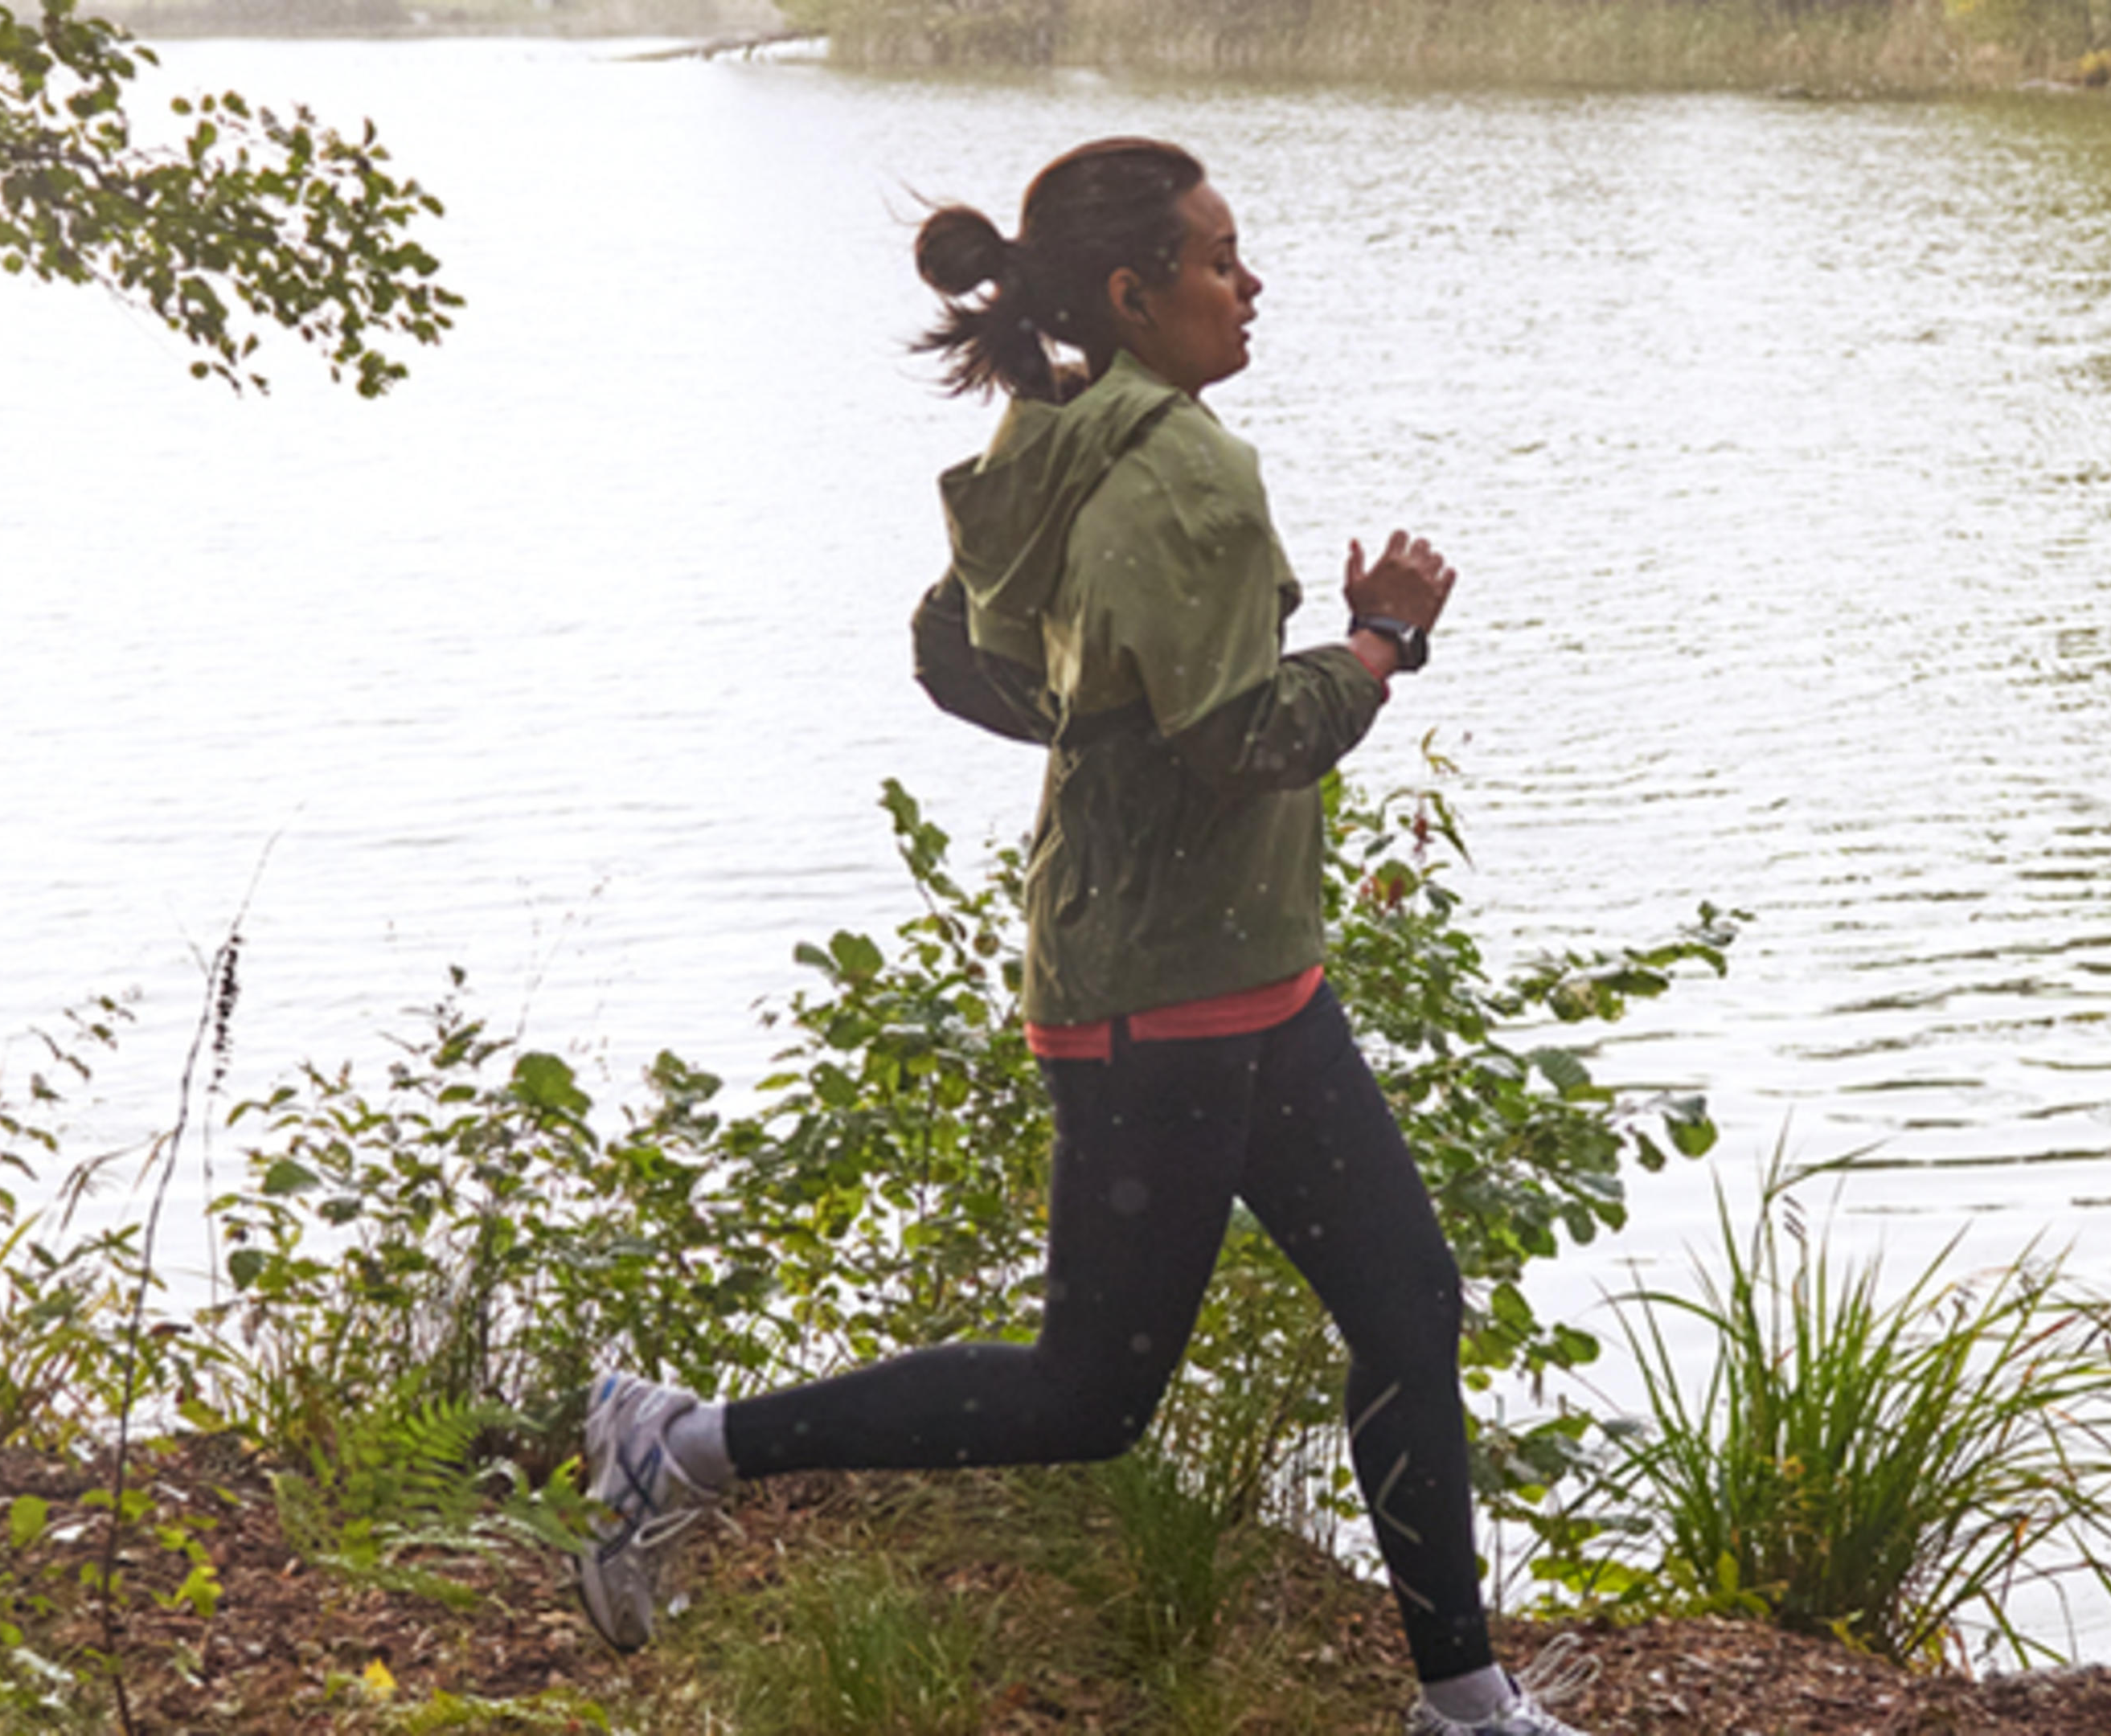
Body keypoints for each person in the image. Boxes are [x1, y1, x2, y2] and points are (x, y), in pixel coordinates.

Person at [572, 137, 1595, 1736]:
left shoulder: (1042, 444)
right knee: (1091, 1394)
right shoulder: (1181, 469)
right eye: (1218, 258)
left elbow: (955, 658)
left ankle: (1464, 1706)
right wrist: (1381, 641)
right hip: (1165, 1005)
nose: (1250, 283)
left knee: (1405, 1300)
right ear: (1132, 294)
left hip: (1242, 970)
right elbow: (1241, 741)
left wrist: (1102, 747)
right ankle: (679, 1446)